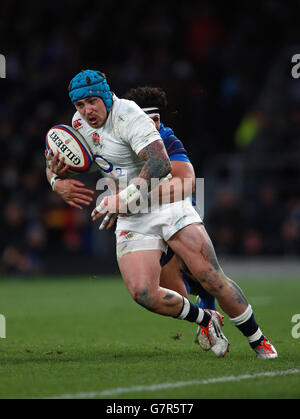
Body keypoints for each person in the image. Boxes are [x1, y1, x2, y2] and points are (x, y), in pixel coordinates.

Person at [46, 70, 277, 359]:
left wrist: (123, 198)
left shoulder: (128, 114)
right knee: (143, 293)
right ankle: (207, 318)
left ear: (105, 95)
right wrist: (56, 181)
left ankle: (258, 340)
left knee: (210, 275)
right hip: (132, 214)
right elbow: (52, 159)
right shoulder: (78, 125)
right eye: (80, 105)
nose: (87, 110)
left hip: (166, 206)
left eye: (92, 101)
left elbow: (160, 164)